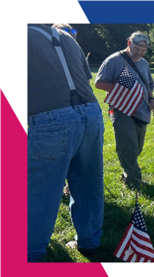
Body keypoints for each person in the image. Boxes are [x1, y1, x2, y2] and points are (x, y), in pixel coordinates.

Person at [27, 24, 106, 261]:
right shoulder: (66, 37)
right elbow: (84, 77)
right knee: (88, 183)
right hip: (91, 113)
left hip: (51, 118)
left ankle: (30, 252)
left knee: (41, 190)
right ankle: (90, 241)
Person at [94, 31, 154, 192]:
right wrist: (123, 90)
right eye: (137, 48)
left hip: (141, 111)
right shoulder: (114, 60)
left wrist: (153, 101)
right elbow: (99, 83)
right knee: (129, 148)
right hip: (122, 110)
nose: (140, 53)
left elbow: (148, 86)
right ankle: (134, 182)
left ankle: (127, 172)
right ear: (129, 43)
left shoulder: (144, 64)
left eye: (143, 50)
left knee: (137, 148)